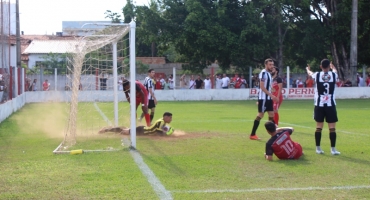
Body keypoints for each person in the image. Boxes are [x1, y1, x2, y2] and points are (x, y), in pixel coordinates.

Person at [306, 59, 340, 155]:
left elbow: (310, 73)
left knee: (319, 127)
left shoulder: (317, 75)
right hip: (330, 104)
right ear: (329, 66)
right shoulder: (333, 75)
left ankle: (318, 148)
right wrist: (333, 67)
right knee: (332, 128)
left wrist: (307, 69)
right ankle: (333, 149)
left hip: (319, 104)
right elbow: (335, 71)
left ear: (321, 66)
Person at [249, 58, 278, 140]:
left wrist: (271, 91)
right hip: (264, 98)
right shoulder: (263, 73)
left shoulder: (269, 73)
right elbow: (262, 86)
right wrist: (271, 95)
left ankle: (274, 134)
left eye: (272, 64)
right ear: (266, 65)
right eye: (270, 64)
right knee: (260, 115)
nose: (272, 66)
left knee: (272, 115)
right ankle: (252, 134)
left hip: (268, 98)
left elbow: (267, 86)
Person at [99, 112, 174, 136]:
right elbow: (160, 132)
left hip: (143, 129)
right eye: (170, 118)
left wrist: (169, 130)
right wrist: (168, 133)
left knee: (125, 129)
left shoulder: (162, 121)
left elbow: (162, 128)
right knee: (123, 132)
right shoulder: (161, 122)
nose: (171, 119)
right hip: (142, 131)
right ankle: (106, 130)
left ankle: (108, 128)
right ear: (166, 117)